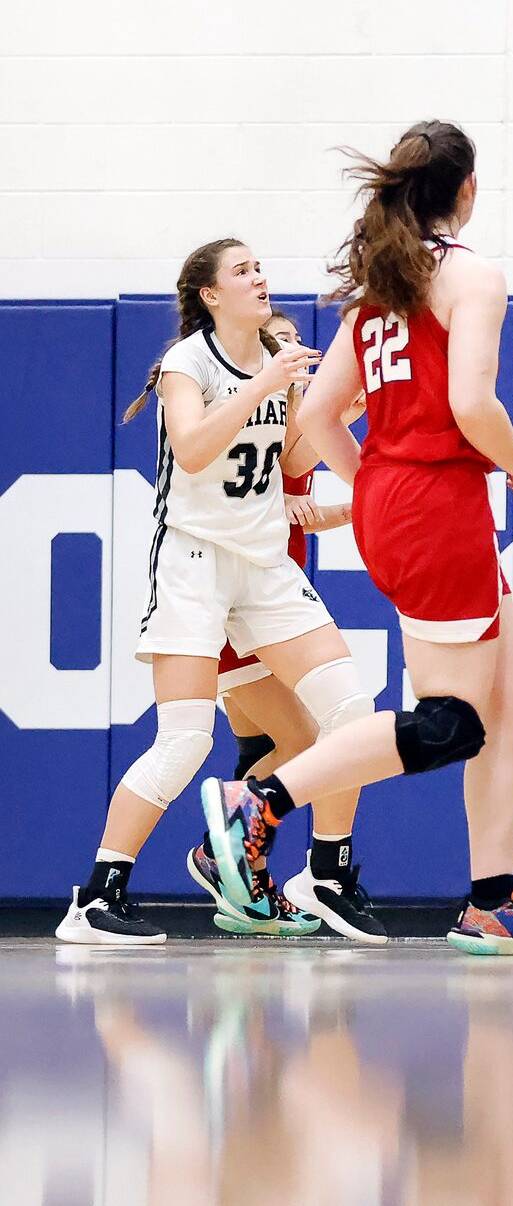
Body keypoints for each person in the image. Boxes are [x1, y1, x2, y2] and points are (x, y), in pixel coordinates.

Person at [199, 121, 513, 958]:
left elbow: (314, 415)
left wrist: (375, 476)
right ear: (467, 190)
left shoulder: (383, 287)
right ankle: (257, 807)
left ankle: (491, 899)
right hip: (438, 505)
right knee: (451, 724)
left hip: (395, 499)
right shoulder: (471, 276)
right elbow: (475, 406)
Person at [56, 238, 377, 946]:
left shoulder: (273, 360)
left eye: (262, 266)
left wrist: (333, 415)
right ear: (210, 294)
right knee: (185, 742)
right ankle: (96, 896)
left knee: (350, 710)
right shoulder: (187, 363)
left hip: (263, 565)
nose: (260, 276)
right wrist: (267, 387)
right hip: (195, 564)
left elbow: (288, 460)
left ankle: (323, 875)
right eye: (243, 271)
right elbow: (194, 448)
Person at [189, 305, 387, 943]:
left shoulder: (294, 411)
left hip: (272, 590)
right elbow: (283, 504)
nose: (297, 352)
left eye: (302, 343)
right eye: (285, 344)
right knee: (314, 736)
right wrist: (350, 504)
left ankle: (234, 869)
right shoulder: (248, 410)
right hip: (235, 598)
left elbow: (309, 461)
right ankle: (294, 865)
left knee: (276, 747)